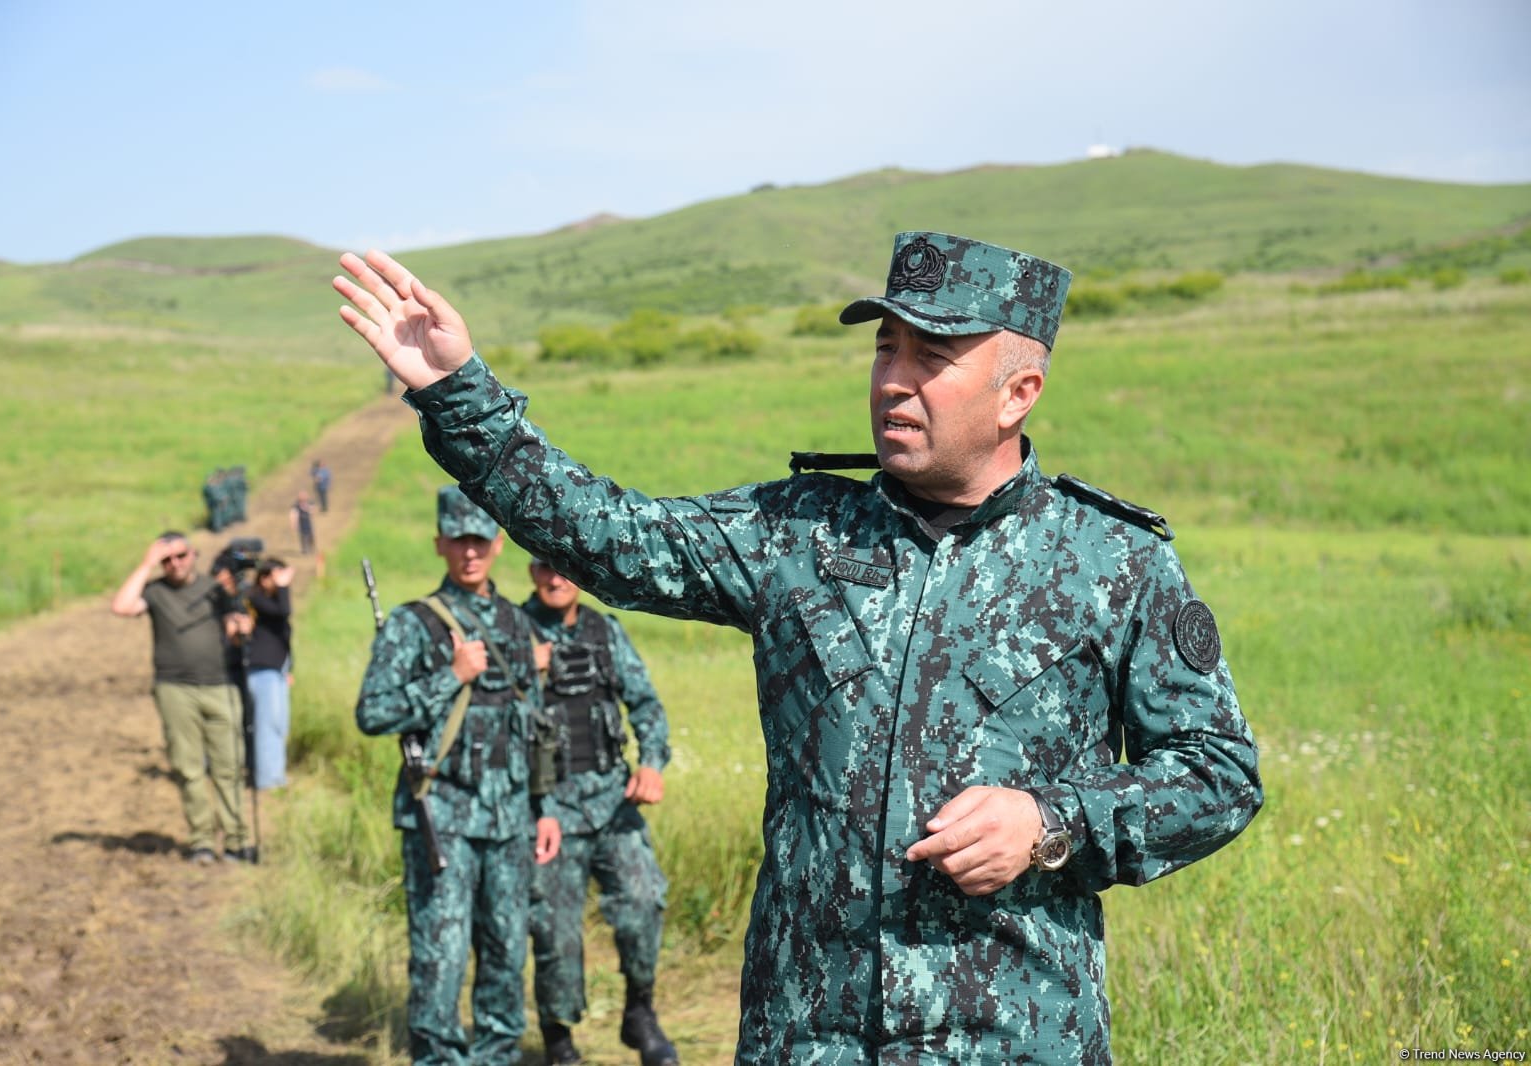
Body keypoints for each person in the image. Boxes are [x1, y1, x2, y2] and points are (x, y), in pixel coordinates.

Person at [334, 233, 1265, 1063]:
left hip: (1012, 1035)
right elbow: (602, 536)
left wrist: (1051, 822)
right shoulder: (799, 537)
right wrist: (461, 396)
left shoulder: (1112, 562)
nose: (894, 378)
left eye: (932, 355)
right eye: (884, 348)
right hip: (804, 1030)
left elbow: (1219, 773)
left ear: (1019, 391)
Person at [355, 487, 563, 1066]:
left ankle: (497, 1056)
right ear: (440, 544)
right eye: (458, 541)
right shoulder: (413, 623)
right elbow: (372, 712)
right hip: (441, 818)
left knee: (503, 954)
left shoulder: (521, 625)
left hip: (511, 820)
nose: (470, 553)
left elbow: (536, 725)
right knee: (440, 957)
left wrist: (543, 808)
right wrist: (451, 675)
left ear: (497, 545)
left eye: (480, 540)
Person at [523, 558, 676, 1066]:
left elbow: (647, 706)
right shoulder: (512, 631)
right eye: (543, 567)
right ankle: (559, 1039)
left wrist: (651, 764)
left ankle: (640, 1012)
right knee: (555, 930)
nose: (554, 577)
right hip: (546, 809)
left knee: (642, 898)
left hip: (612, 802)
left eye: (563, 567)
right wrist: (526, 666)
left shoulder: (605, 632)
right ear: (529, 570)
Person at [110, 531, 253, 864]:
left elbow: (236, 631)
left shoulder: (216, 590)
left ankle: (236, 840)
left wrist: (241, 629)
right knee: (188, 768)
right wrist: (146, 564)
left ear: (194, 555)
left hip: (221, 686)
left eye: (181, 556)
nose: (175, 564)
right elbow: (122, 606)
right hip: (174, 689)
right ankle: (201, 841)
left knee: (228, 767)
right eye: (167, 559)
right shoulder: (155, 591)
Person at [244, 558, 295, 790]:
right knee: (267, 726)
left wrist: (288, 669)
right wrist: (283, 586)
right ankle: (267, 781)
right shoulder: (256, 599)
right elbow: (284, 611)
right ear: (264, 578)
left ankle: (276, 777)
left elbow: (283, 638)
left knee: (279, 725)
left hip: (276, 671)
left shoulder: (271, 601)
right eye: (276, 576)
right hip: (263, 671)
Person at [289, 491, 316, 556]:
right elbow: (293, 514)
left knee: (310, 534)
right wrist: (293, 523)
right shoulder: (296, 506)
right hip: (301, 522)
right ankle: (304, 549)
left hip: (308, 521)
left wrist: (310, 510)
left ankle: (311, 547)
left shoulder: (309, 503)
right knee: (303, 535)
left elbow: (313, 510)